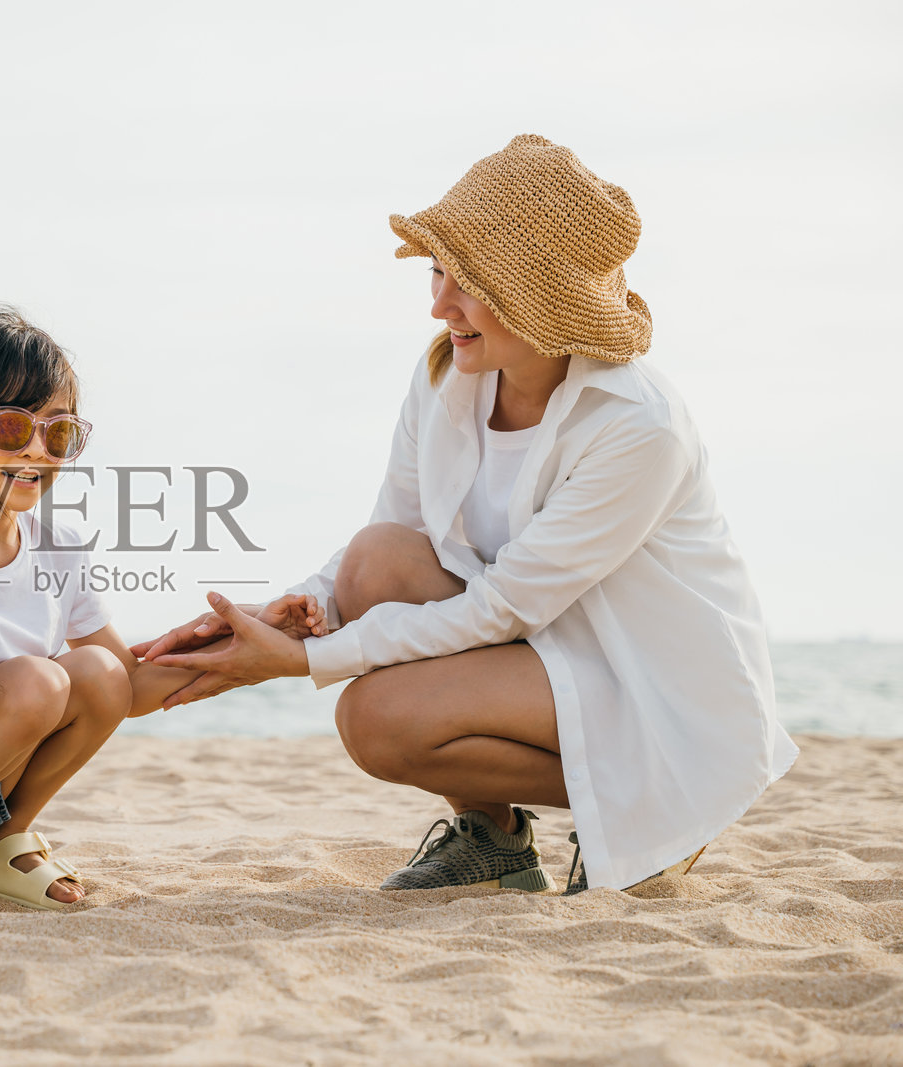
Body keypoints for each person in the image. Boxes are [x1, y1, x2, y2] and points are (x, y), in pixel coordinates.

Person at [135, 135, 798, 894]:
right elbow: (394, 535)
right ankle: (497, 838)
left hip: (651, 686)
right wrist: (296, 614)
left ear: (537, 294)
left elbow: (506, 603)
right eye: (437, 270)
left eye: (468, 281)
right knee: (375, 558)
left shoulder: (637, 424)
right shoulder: (449, 372)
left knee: (373, 717)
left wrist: (304, 662)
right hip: (542, 653)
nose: (438, 303)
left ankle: (660, 807)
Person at [0, 308, 319, 928]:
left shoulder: (58, 543)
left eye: (59, 433)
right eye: (12, 428)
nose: (38, 452)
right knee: (39, 680)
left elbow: (125, 686)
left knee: (97, 670)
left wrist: (252, 643)